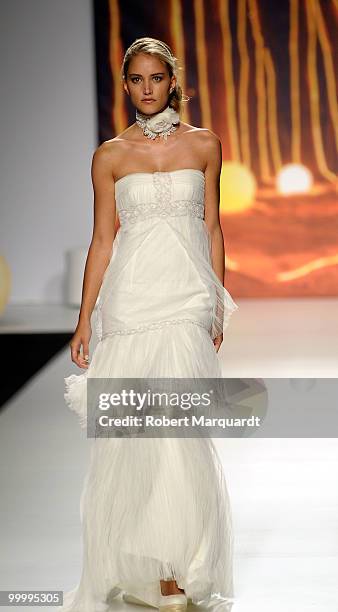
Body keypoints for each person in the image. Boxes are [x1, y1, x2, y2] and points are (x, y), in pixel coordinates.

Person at [59, 37, 239, 612]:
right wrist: (85, 318)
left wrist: (216, 297)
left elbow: (212, 228)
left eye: (155, 78)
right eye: (135, 79)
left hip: (186, 297)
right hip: (132, 300)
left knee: (179, 433)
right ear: (126, 86)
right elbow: (103, 240)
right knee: (139, 436)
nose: (145, 89)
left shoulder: (206, 144)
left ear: (172, 81)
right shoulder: (110, 155)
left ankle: (178, 568)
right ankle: (153, 564)